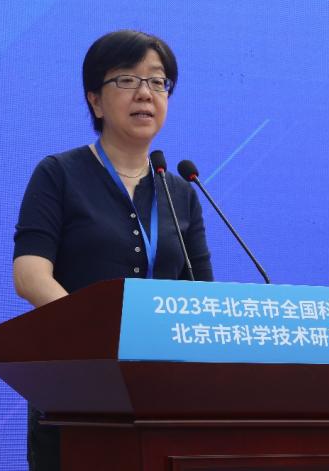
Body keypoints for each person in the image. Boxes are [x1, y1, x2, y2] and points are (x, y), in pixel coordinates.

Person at [12, 30, 214, 470]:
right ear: (95, 101)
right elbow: (30, 275)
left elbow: (202, 296)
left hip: (162, 390)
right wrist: (100, 336)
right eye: (126, 79)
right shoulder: (59, 174)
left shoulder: (181, 190)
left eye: (157, 81)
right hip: (76, 383)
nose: (145, 93)